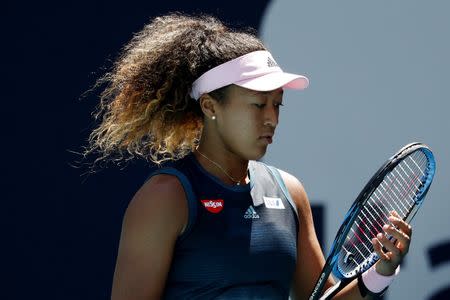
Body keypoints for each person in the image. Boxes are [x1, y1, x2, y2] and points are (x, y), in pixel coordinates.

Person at [86, 13, 412, 300]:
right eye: (258, 104)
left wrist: (378, 274)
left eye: (277, 104)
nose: (271, 118)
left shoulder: (290, 194)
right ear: (211, 106)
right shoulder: (165, 199)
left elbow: (320, 298)